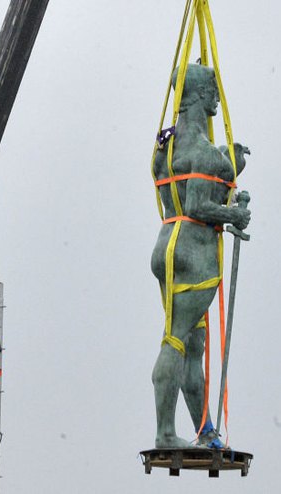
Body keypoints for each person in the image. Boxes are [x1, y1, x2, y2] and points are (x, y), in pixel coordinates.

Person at [151, 63, 251, 448]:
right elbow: (198, 203)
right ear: (195, 94)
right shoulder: (205, 152)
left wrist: (228, 166)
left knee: (192, 345)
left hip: (166, 243)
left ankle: (204, 430)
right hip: (194, 251)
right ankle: (164, 433)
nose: (217, 97)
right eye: (211, 88)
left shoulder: (165, 148)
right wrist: (234, 213)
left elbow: (184, 184)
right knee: (176, 339)